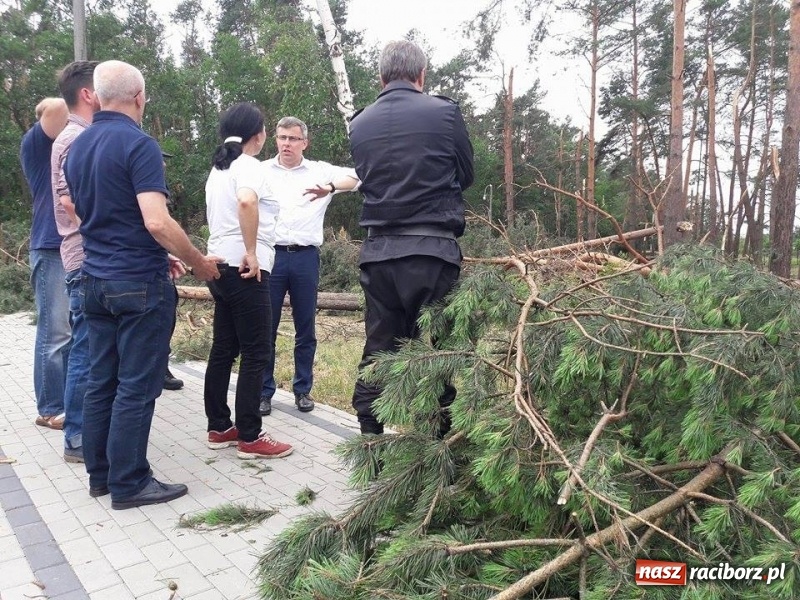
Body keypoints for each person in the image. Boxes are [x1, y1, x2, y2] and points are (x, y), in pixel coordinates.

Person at [64, 60, 223, 509]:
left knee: (102, 381)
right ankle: (131, 483)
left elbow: (96, 214)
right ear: (140, 97)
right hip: (136, 286)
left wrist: (158, 253)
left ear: (96, 95)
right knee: (136, 386)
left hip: (93, 281)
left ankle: (101, 476)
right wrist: (195, 262)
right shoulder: (139, 145)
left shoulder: (78, 147)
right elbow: (155, 220)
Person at [348, 40, 474, 436]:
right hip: (432, 253)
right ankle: (436, 449)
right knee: (438, 350)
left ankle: (370, 442)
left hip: (379, 253)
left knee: (378, 347)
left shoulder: (359, 122)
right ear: (421, 76)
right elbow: (467, 175)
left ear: (381, 77)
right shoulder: (445, 113)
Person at [204, 102, 293, 459]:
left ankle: (220, 426)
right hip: (245, 269)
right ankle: (251, 436)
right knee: (257, 351)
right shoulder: (249, 166)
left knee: (223, 349)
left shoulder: (218, 168)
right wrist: (252, 251)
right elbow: (246, 203)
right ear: (259, 135)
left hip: (219, 267)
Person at [258, 117, 359, 416]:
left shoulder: (319, 170)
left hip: (305, 257)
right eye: (281, 137)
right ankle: (264, 391)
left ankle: (303, 390)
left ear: (305, 142)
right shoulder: (262, 172)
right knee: (266, 327)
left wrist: (329, 188)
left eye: (292, 138)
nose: (286, 143)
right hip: (270, 256)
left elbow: (357, 178)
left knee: (306, 327)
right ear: (275, 139)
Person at [50, 60, 100, 463]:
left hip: (89, 257)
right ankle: (78, 437)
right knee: (84, 348)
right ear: (88, 93)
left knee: (93, 347)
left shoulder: (83, 136)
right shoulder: (73, 140)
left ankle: (90, 432)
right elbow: (69, 201)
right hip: (86, 258)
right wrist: (110, 236)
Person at [20, 96, 70, 430]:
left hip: (69, 247)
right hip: (50, 248)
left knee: (70, 332)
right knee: (54, 333)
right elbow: (55, 108)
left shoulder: (65, 150)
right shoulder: (37, 143)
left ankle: (67, 402)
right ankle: (50, 408)